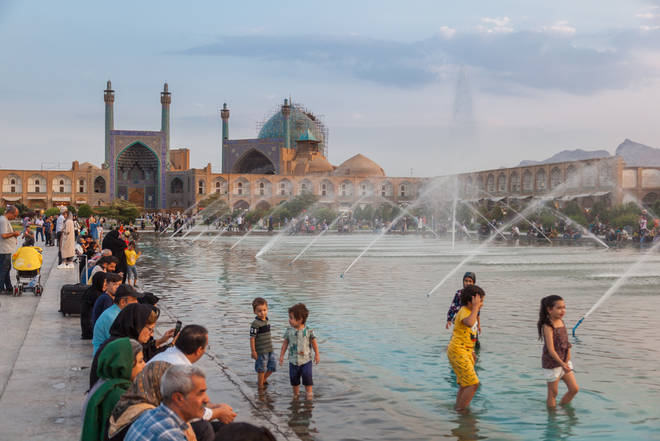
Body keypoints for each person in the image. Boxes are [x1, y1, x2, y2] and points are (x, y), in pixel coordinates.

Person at [148, 324, 237, 426]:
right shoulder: (180, 369)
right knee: (208, 427)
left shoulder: (166, 355)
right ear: (199, 350)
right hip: (160, 421)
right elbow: (190, 413)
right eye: (206, 347)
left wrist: (215, 406)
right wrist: (218, 413)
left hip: (149, 415)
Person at [81, 338, 145, 441]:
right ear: (125, 365)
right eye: (140, 361)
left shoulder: (104, 384)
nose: (144, 365)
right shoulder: (118, 396)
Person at [125, 365, 208, 441]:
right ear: (178, 398)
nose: (207, 399)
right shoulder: (170, 436)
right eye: (200, 393)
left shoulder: (150, 414)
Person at [90, 304, 161, 389]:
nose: (152, 334)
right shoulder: (123, 348)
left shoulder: (119, 341)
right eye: (150, 329)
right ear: (138, 326)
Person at [446, 285, 485, 411]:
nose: (482, 304)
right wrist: (475, 308)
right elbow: (469, 322)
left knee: (465, 384)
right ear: (471, 301)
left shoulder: (470, 312)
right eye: (480, 301)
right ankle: (462, 411)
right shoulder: (464, 311)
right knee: (473, 384)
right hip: (458, 350)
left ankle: (458, 408)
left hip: (465, 351)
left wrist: (472, 351)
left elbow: (470, 334)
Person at [538, 295, 579, 408]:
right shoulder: (547, 326)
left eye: (564, 307)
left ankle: (562, 407)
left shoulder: (561, 321)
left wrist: (567, 360)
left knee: (574, 389)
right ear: (549, 310)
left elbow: (566, 343)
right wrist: (562, 364)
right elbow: (551, 350)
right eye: (559, 308)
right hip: (552, 364)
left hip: (564, 361)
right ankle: (552, 417)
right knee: (553, 393)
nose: (563, 310)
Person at [279, 303, 320, 399]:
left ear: (300, 319)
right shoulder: (289, 330)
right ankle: (296, 395)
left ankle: (309, 394)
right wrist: (281, 356)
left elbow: (314, 343)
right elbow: (285, 344)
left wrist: (317, 355)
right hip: (293, 361)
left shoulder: (309, 330)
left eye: (291, 318)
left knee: (307, 378)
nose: (289, 320)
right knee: (294, 380)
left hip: (306, 361)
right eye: (289, 317)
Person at [93, 285, 145, 355]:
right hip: (104, 356)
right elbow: (119, 344)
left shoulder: (119, 313)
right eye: (133, 300)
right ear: (123, 302)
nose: (137, 302)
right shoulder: (112, 317)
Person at [250, 297, 276, 389]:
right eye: (259, 311)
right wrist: (253, 351)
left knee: (272, 366)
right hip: (261, 351)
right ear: (255, 312)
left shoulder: (267, 321)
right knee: (261, 369)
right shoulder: (255, 324)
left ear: (267, 309)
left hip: (269, 348)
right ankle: (260, 386)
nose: (262, 313)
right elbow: (252, 338)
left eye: (264, 310)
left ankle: (263, 380)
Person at [0, 205, 21, 294]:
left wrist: (13, 234)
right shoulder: (3, 220)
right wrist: (14, 233)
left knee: (6, 269)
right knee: (4, 270)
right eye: (15, 215)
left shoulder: (4, 220)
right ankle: (1, 288)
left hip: (6, 249)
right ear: (10, 213)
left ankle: (8, 287)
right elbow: (4, 235)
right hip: (4, 250)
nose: (15, 217)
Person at [81, 272, 107, 340]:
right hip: (91, 331)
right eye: (104, 282)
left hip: (87, 330)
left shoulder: (91, 290)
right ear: (99, 281)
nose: (106, 285)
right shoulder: (96, 295)